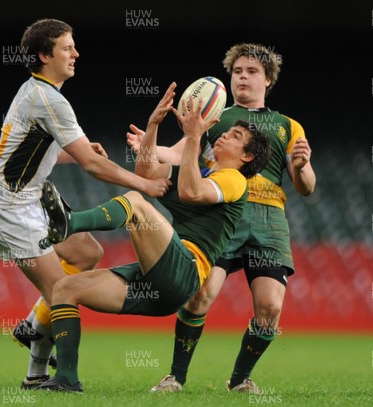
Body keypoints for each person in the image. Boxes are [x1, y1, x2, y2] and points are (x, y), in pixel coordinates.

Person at [33, 83, 270, 393]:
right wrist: (154, 125)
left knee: (135, 203)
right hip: (161, 284)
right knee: (64, 288)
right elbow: (147, 172)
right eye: (228, 132)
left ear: (247, 156)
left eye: (236, 137)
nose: (225, 135)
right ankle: (66, 379)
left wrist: (194, 136)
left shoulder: (234, 180)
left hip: (184, 272)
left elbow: (191, 192)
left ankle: (70, 223)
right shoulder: (200, 170)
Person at [0, 18, 170, 389]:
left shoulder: (36, 92)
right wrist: (143, 183)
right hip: (11, 210)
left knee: (85, 252)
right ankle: (39, 376)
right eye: (67, 47)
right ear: (43, 55)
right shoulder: (49, 99)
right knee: (63, 292)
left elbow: (20, 152)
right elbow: (94, 165)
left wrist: (71, 153)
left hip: (29, 197)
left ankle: (32, 326)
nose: (76, 54)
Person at [129, 43, 316, 393]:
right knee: (199, 296)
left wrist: (303, 167)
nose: (242, 77)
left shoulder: (289, 126)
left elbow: (305, 187)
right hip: (223, 213)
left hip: (269, 220)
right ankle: (176, 377)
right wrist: (148, 147)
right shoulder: (215, 117)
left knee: (270, 308)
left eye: (252, 71)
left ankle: (240, 379)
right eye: (237, 72)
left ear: (269, 79)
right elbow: (177, 153)